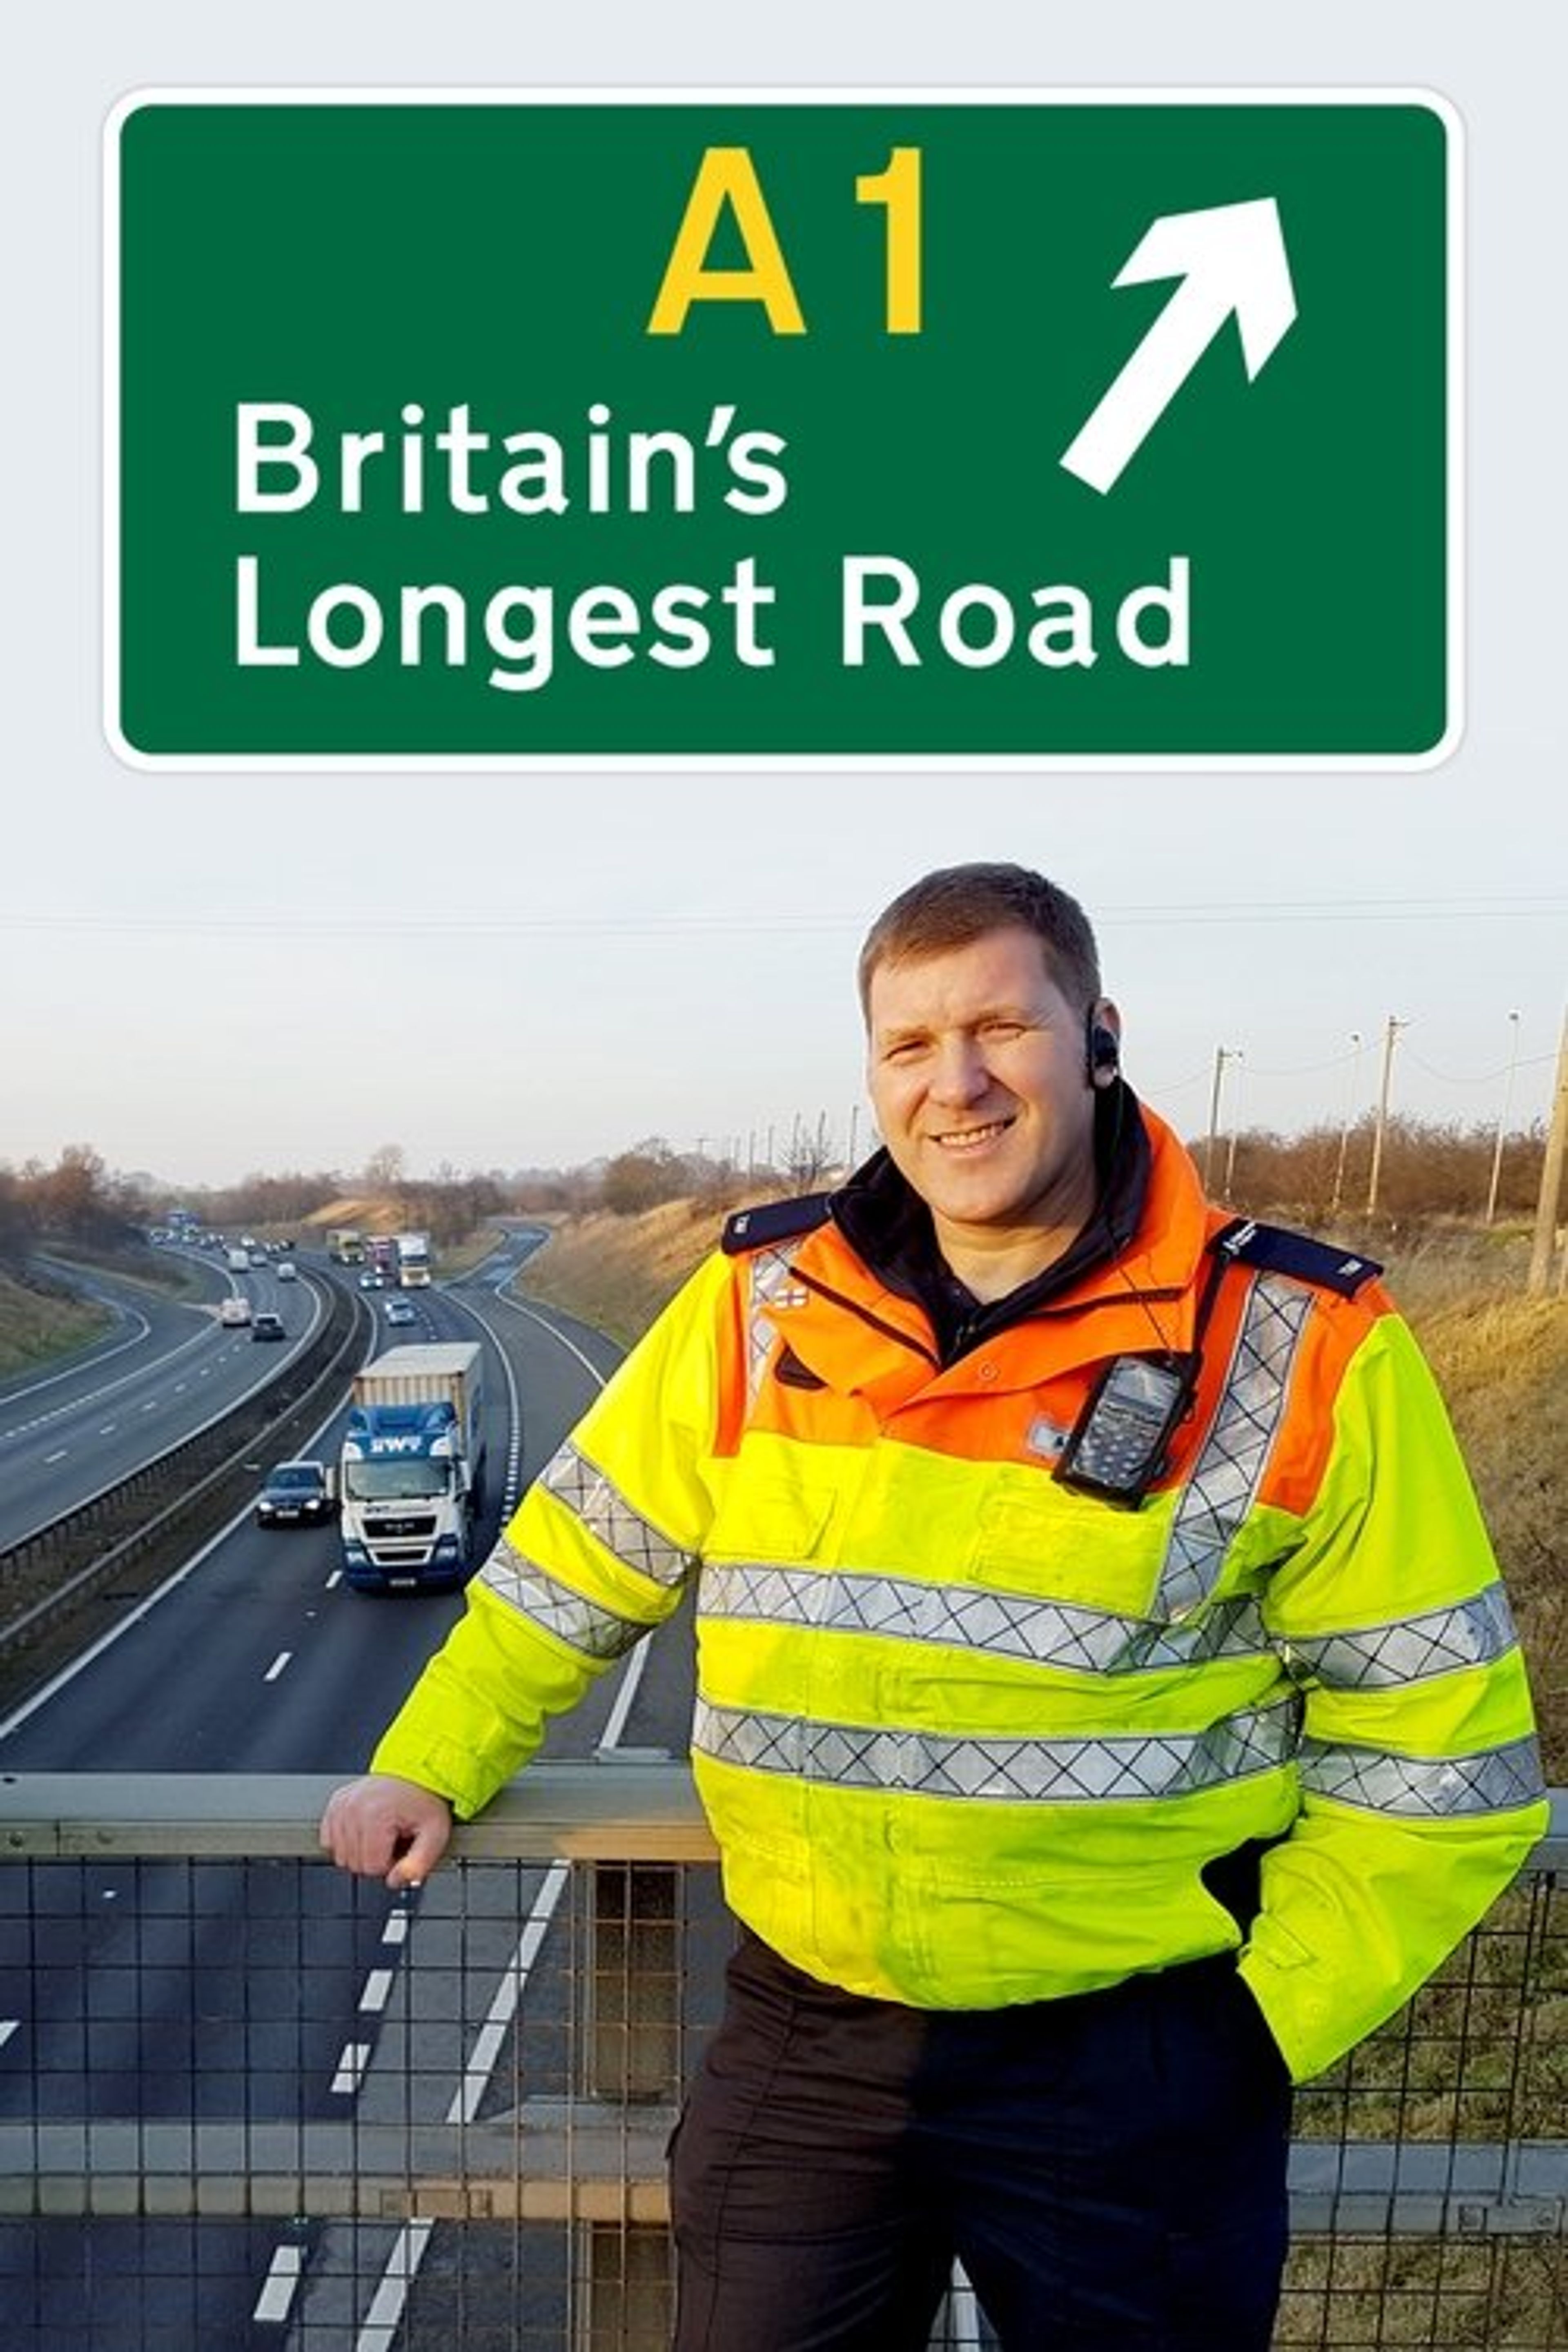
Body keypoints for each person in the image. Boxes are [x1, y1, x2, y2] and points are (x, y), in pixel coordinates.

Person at [320, 862, 1547, 2350]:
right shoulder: (764, 1302)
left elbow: (1444, 1754)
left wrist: (1256, 2024)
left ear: (1099, 1037)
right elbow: (573, 1567)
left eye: (1000, 1029)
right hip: (809, 2037)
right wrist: (431, 1757)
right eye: (909, 1044)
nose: (954, 1084)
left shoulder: (1301, 1342)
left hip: (1138, 2062)